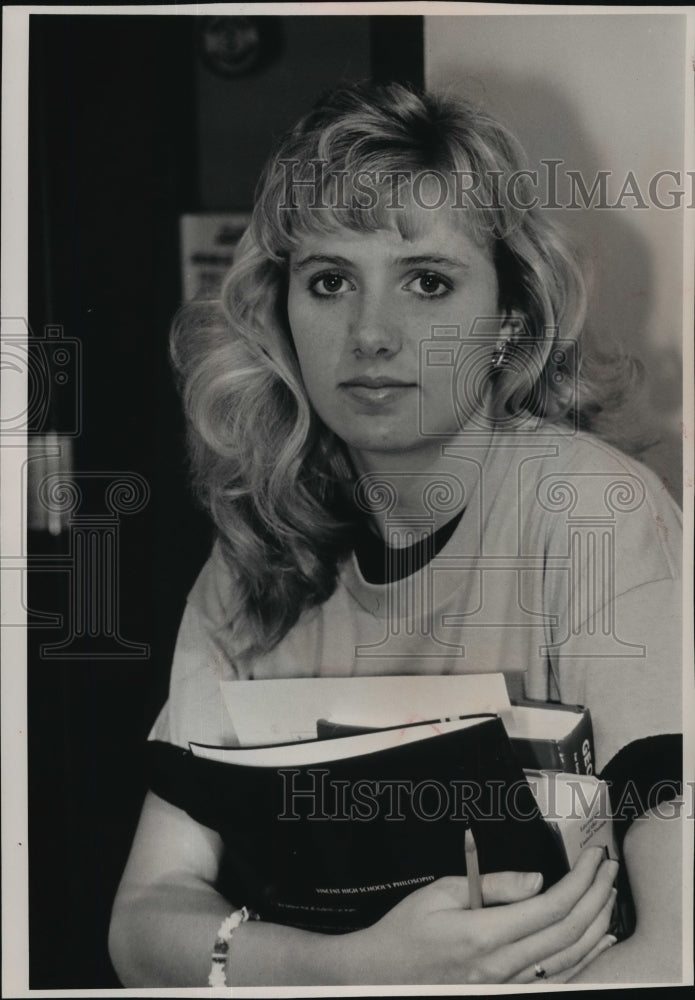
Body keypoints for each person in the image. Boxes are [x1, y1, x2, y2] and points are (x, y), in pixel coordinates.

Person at [108, 82, 684, 987]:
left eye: (427, 282)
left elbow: (682, 949)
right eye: (330, 281)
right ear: (277, 314)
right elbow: (144, 920)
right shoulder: (255, 550)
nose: (370, 334)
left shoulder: (591, 510)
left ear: (509, 319)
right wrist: (348, 968)